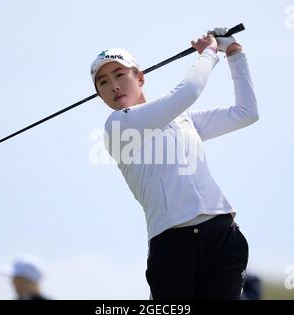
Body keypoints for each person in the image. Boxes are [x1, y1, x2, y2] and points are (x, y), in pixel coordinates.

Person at [91, 26, 259, 299]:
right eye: (103, 83)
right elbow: (188, 92)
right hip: (172, 246)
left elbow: (246, 113)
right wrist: (209, 54)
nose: (114, 86)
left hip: (222, 235)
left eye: (119, 74)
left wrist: (234, 53)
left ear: (140, 77)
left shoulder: (184, 119)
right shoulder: (118, 126)